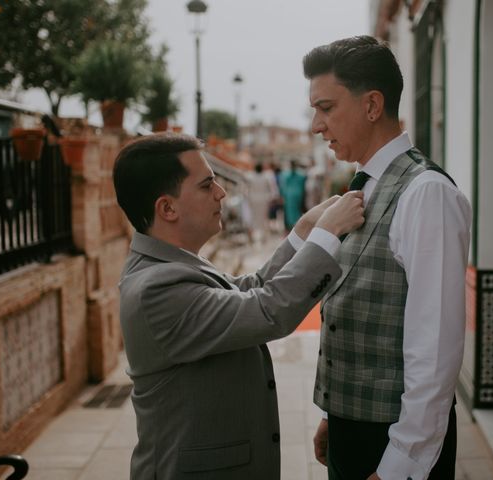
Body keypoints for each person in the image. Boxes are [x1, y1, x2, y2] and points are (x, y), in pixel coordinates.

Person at [112, 132, 365, 480]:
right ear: (167, 208)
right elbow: (267, 310)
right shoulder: (156, 288)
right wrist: (329, 234)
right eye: (206, 186)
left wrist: (304, 231)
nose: (221, 193)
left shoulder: (170, 265)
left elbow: (250, 291)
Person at [303, 36, 472, 480]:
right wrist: (335, 415)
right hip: (353, 428)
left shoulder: (427, 193)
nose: (315, 126)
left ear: (372, 105)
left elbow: (434, 351)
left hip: (393, 445)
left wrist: (401, 464)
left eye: (325, 108)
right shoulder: (367, 184)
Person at [278, 159, 307, 231]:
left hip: (289, 195)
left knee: (290, 212)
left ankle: (293, 227)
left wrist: (282, 195)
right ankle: (296, 227)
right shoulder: (302, 174)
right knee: (296, 211)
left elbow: (283, 187)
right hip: (297, 194)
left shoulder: (285, 174)